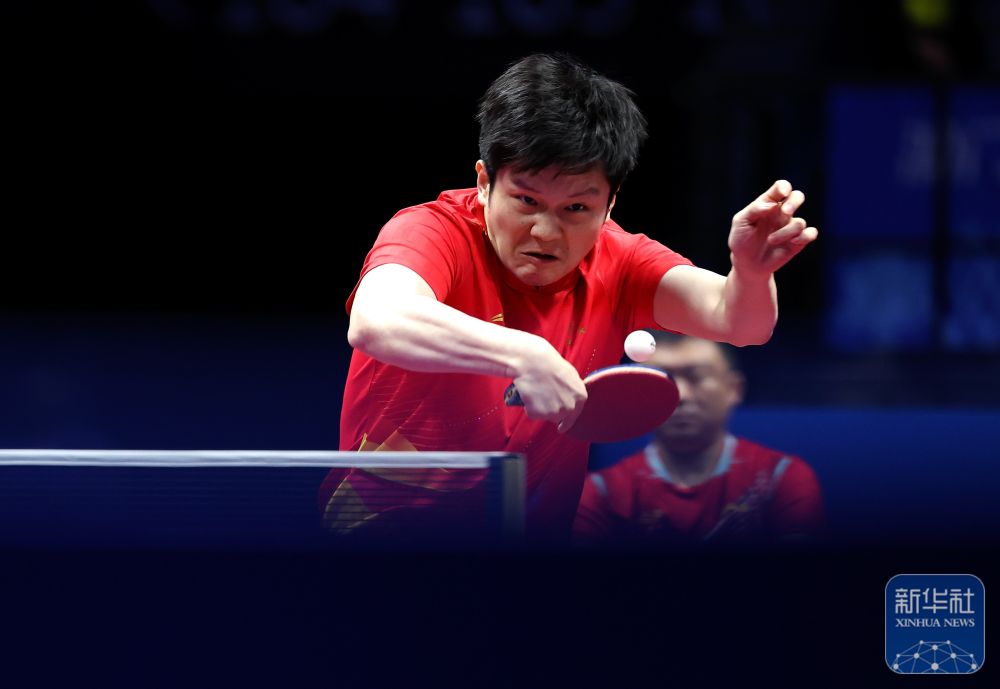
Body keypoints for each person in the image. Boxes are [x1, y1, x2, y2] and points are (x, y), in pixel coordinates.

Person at [321, 53, 818, 543]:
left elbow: (740, 322)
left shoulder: (621, 261)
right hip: (383, 541)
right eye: (526, 200)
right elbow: (377, 320)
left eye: (576, 207)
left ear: (611, 202)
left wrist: (750, 273)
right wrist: (524, 352)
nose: (546, 231)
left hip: (531, 556)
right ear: (483, 181)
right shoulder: (433, 231)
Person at [573, 332, 824, 546]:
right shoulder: (599, 493)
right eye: (662, 378)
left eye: (697, 376)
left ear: (734, 389)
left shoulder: (782, 478)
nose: (680, 395)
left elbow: (799, 587)